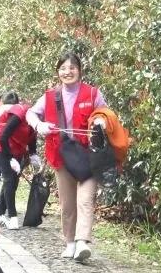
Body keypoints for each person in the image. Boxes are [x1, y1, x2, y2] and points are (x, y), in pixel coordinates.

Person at [25, 53, 107, 262]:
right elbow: (30, 113)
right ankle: (70, 242)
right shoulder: (50, 96)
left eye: (72, 68)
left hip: (88, 156)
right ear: (58, 72)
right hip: (62, 156)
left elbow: (106, 114)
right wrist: (39, 125)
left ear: (80, 70)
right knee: (67, 203)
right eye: (63, 68)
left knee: (85, 200)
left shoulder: (92, 94)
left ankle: (82, 242)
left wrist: (101, 122)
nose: (67, 72)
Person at [0, 92, 40, 230]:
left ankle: (0, 213)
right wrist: (10, 158)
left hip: (18, 148)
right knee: (9, 179)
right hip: (1, 145)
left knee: (13, 180)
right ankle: (12, 217)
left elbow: (32, 136)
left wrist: (33, 154)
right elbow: (3, 138)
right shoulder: (20, 114)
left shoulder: (36, 120)